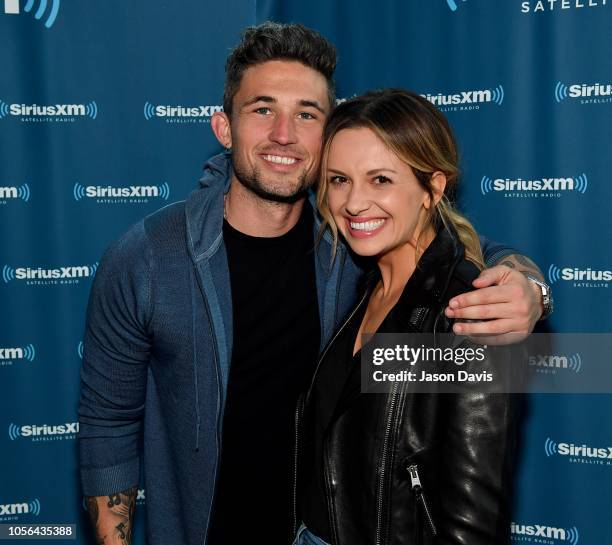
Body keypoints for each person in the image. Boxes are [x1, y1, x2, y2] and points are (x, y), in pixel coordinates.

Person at [79, 23, 549, 545]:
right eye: (262, 110)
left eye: (306, 113)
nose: (284, 133)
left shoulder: (350, 247)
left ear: (326, 134)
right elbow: (108, 425)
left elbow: (453, 253)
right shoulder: (148, 257)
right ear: (223, 127)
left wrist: (529, 287)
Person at [294, 88, 517, 545]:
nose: (354, 203)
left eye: (380, 180)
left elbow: (471, 524)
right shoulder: (364, 286)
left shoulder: (467, 315)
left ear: (432, 188)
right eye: (339, 180)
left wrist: (534, 286)